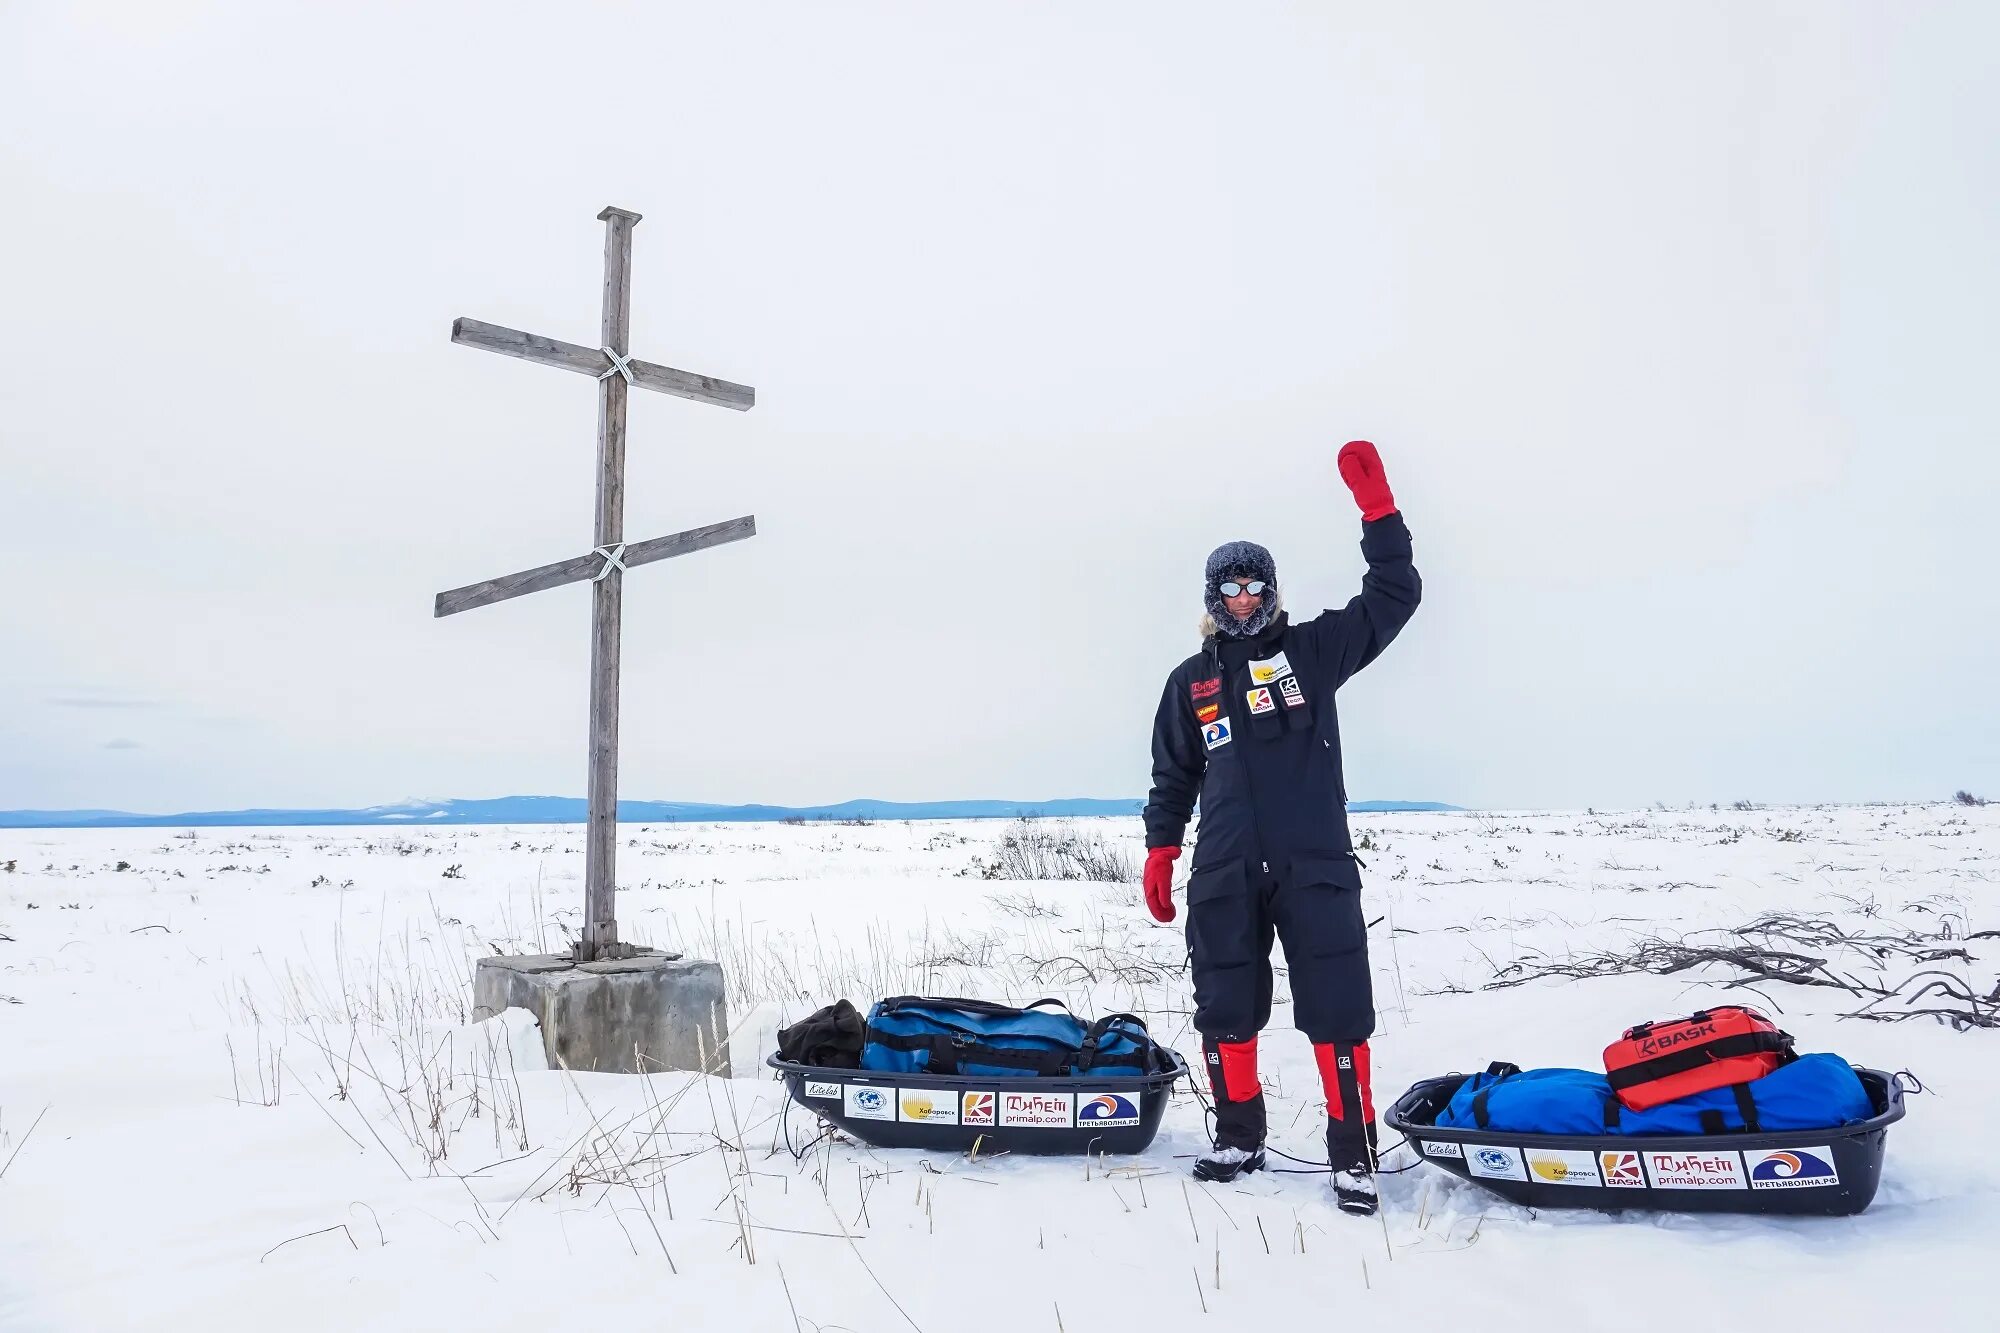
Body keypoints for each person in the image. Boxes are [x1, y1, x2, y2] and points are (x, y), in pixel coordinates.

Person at [1140, 440, 1420, 1216]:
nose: (1241, 596)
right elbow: (1173, 775)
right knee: (1226, 1006)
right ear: (1212, 592)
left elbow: (1394, 595)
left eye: (1253, 582)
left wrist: (1379, 513)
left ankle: (1353, 1153)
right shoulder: (1190, 681)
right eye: (1228, 585)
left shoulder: (1313, 650)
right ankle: (1238, 1135)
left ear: (1270, 588)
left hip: (1312, 865)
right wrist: (1163, 848)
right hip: (1226, 870)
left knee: (1337, 1008)